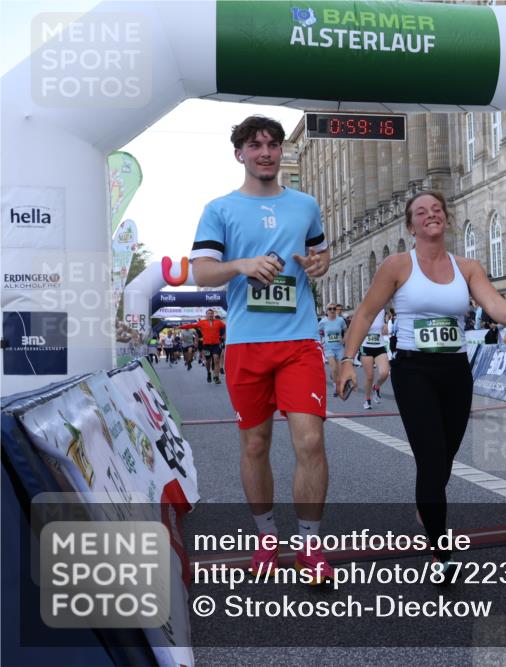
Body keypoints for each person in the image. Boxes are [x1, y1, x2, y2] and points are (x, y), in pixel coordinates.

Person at [336, 191, 506, 575]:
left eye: (437, 210)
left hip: (455, 370)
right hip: (414, 371)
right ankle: (441, 553)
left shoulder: (468, 266)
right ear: (411, 225)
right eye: (421, 212)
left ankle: (427, 504)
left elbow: (491, 301)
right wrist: (348, 360)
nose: (431, 216)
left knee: (445, 458)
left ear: (446, 219)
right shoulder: (397, 265)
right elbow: (364, 315)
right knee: (430, 459)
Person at [188, 115, 333, 581]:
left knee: (310, 440)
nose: (266, 152)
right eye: (256, 145)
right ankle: (267, 538)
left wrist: (317, 265)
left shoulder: (306, 204)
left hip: (299, 341)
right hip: (247, 344)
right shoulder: (220, 209)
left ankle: (311, 546)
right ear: (240, 154)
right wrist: (241, 265)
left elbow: (321, 256)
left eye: (272, 144)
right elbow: (201, 272)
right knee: (255, 444)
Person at [180, 309, 226, 384]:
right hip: (207, 346)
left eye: (211, 313)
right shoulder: (202, 322)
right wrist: (180, 327)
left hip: (216, 345)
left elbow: (226, 327)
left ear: (213, 314)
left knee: (216, 359)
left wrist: (224, 336)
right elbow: (192, 325)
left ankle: (216, 377)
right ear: (206, 315)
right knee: (208, 362)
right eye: (209, 313)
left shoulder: (218, 322)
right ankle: (208, 373)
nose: (210, 315)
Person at [360, 308, 390, 410]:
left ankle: (376, 386)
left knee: (385, 373)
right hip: (366, 347)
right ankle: (367, 400)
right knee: (369, 376)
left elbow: (387, 318)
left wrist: (386, 324)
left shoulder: (382, 310)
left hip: (380, 346)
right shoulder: (363, 310)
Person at [318, 303, 347, 386]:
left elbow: (346, 330)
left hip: (339, 347)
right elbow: (317, 332)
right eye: (330, 309)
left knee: (340, 368)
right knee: (334, 368)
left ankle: (334, 376)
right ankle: (336, 384)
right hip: (328, 348)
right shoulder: (323, 321)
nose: (332, 310)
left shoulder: (340, 320)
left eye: (334, 308)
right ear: (327, 311)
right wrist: (320, 341)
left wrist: (344, 339)